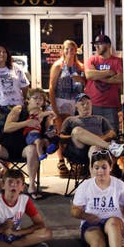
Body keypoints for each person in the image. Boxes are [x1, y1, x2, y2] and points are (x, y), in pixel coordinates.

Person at [0, 88, 47, 200]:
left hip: (25, 148)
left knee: (32, 149)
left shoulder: (44, 115)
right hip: (8, 146)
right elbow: (7, 127)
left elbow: (46, 133)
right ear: (28, 100)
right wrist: (26, 123)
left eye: (41, 98)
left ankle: (32, 187)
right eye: (35, 98)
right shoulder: (19, 109)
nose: (38, 100)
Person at [60, 93, 124, 170]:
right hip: (78, 148)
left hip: (97, 147)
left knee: (95, 151)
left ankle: (94, 180)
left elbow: (112, 134)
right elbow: (61, 137)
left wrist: (96, 139)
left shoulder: (100, 119)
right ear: (76, 107)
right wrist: (75, 137)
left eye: (88, 103)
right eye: (82, 104)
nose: (86, 106)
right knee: (77, 130)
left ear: (91, 104)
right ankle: (110, 147)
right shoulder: (70, 120)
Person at [49, 40, 86, 176]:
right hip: (60, 101)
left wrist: (81, 80)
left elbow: (86, 83)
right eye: (66, 49)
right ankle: (61, 161)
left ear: (76, 50)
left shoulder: (80, 66)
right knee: (60, 132)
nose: (69, 51)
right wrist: (54, 109)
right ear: (63, 51)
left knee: (74, 132)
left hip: (75, 103)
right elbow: (52, 88)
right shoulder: (58, 66)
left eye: (72, 49)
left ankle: (74, 160)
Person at [85, 34, 123, 132]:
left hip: (111, 105)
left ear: (109, 45)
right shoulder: (92, 59)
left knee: (112, 135)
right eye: (95, 44)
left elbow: (119, 78)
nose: (96, 47)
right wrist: (109, 73)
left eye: (100, 44)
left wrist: (98, 76)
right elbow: (89, 75)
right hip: (94, 104)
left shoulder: (117, 61)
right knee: (94, 135)